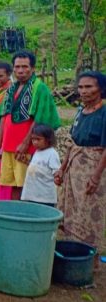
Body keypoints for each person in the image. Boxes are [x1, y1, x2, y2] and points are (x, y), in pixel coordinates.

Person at [0, 51, 60, 201]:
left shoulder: (39, 88)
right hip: (9, 145)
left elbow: (40, 117)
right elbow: (4, 115)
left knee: (26, 184)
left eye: (25, 67)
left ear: (33, 68)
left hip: (26, 147)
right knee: (13, 184)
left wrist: (25, 142)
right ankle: (16, 215)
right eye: (17, 67)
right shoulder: (11, 89)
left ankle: (27, 216)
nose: (21, 70)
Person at [55, 71, 105, 259]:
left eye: (89, 87)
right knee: (71, 209)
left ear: (100, 89)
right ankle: (71, 250)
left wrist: (96, 176)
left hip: (92, 167)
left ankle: (88, 256)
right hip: (74, 167)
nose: (84, 91)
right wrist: (62, 168)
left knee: (88, 210)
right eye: (81, 87)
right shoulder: (81, 112)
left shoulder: (104, 113)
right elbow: (72, 143)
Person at [21, 124, 60, 207]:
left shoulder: (52, 154)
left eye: (38, 139)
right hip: (32, 195)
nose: (35, 142)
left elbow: (56, 171)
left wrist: (57, 178)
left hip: (44, 197)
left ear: (48, 140)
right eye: (33, 139)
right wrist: (27, 162)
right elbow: (39, 167)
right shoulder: (37, 152)